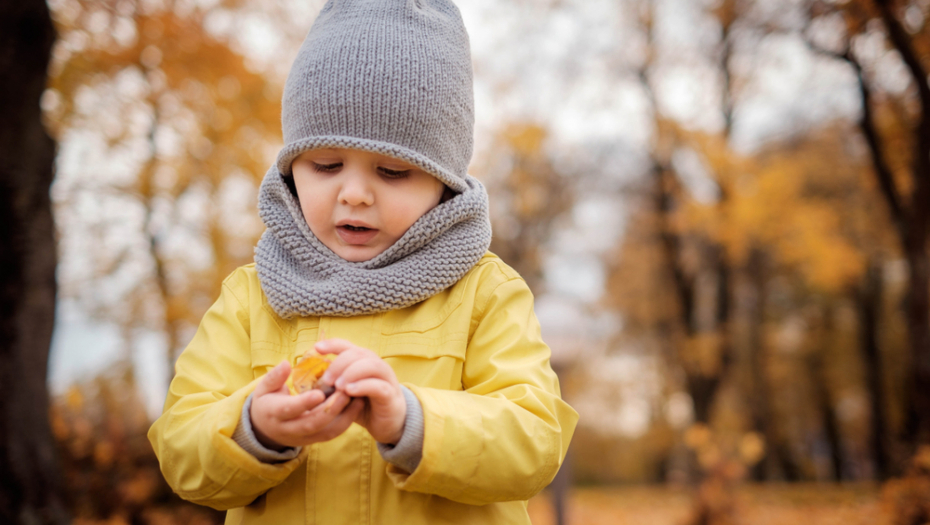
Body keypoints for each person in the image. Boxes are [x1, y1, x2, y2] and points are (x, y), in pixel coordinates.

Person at [147, 0, 578, 523]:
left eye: (392, 172)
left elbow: (533, 441)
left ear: (443, 182)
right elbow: (180, 447)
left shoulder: (484, 293)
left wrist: (411, 421)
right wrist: (253, 428)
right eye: (326, 165)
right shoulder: (251, 296)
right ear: (291, 169)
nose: (354, 193)